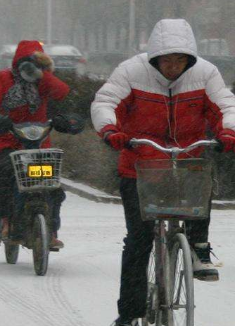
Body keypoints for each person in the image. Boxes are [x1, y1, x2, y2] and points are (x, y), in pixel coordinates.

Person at [91, 19, 235, 326]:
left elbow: (226, 106)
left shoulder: (206, 74)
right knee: (139, 240)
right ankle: (129, 314)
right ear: (154, 57)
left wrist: (228, 132)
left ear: (190, 59)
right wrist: (110, 130)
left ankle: (199, 248)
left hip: (185, 162)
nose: (173, 66)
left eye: (180, 60)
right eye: (167, 60)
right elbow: (106, 101)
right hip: (139, 167)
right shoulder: (131, 73)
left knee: (200, 184)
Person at [0, 40, 81, 249]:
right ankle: (6, 220)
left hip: (38, 147)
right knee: (4, 178)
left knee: (51, 187)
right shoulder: (3, 78)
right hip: (6, 143)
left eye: (34, 65)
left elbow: (62, 92)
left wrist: (42, 75)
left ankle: (50, 231)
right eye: (25, 65)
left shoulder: (43, 82)